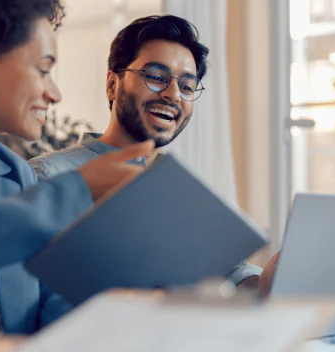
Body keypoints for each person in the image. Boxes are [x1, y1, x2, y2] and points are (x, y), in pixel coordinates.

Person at [0, 0, 153, 345]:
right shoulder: (49, 193)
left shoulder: (14, 174)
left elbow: (42, 306)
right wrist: (77, 190)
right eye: (43, 69)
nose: (54, 93)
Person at [29, 15, 265, 288]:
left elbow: (235, 273)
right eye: (155, 77)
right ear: (112, 85)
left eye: (187, 86)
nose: (173, 94)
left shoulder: (188, 191)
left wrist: (274, 279)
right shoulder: (46, 176)